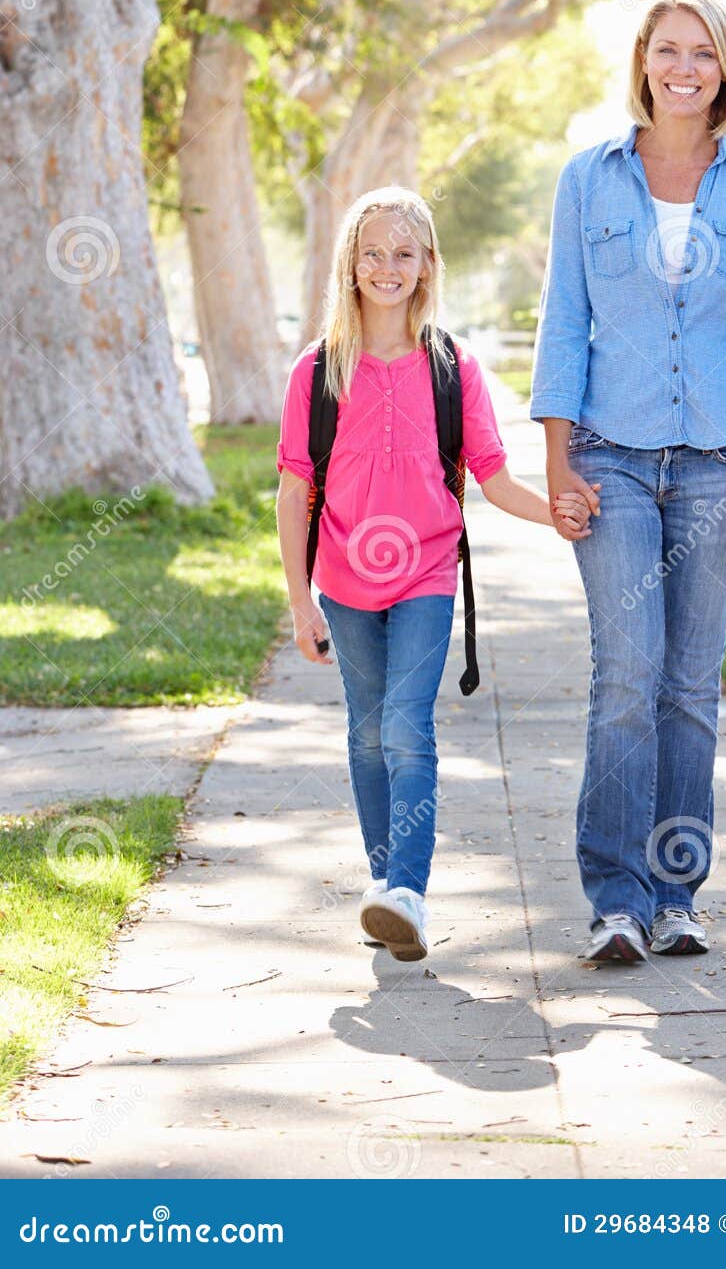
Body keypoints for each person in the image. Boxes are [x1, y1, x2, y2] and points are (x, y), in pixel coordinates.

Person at [530, 0, 726, 964]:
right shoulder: (588, 179)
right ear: (643, 63)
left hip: (718, 465)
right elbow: (562, 320)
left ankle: (676, 893)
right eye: (668, 50)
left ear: (723, 68)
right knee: (626, 674)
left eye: (702, 52)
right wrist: (555, 458)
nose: (684, 67)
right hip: (608, 459)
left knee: (690, 687)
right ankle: (613, 895)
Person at [276, 186, 589, 963]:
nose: (387, 267)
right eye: (373, 252)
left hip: (425, 574)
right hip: (342, 580)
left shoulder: (453, 368)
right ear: (351, 265)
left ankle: (406, 889)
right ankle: (387, 887)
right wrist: (297, 602)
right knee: (365, 731)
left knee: (405, 728)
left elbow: (492, 475)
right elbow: (293, 490)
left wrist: (557, 511)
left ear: (426, 267)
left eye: (403, 254)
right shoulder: (316, 372)